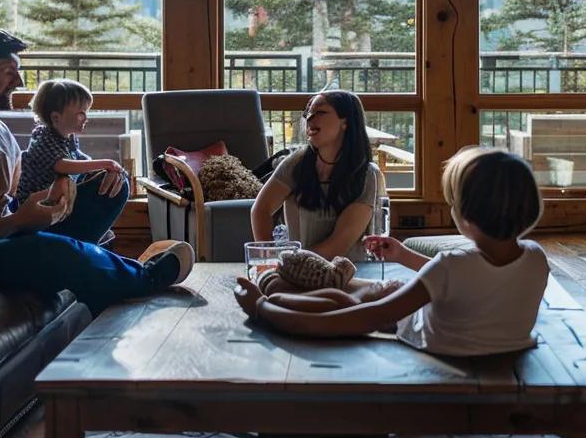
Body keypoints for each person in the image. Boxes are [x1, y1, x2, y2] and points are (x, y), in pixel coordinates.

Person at [0, 27, 192, 313]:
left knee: (110, 187)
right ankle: (146, 277)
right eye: (8, 72)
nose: (19, 82)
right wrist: (16, 223)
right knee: (54, 252)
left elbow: (12, 198)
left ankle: (89, 265)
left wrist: (59, 187)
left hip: (4, 239)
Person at [233, 147, 549, 357]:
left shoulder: (450, 266)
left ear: (463, 214)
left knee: (347, 300)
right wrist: (404, 256)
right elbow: (474, 279)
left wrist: (262, 308)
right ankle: (294, 288)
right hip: (499, 347)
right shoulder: (535, 258)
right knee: (370, 289)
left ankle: (272, 298)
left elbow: (369, 319)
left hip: (429, 341)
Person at [248, 90, 383, 261]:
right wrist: (269, 258)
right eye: (308, 113)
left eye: (319, 112)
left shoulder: (366, 175)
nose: (309, 118)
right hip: (298, 270)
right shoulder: (296, 162)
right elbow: (261, 209)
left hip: (348, 272)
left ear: (345, 122)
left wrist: (289, 263)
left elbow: (338, 244)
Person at [14, 78, 129, 245]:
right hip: (38, 208)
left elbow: (77, 156)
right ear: (56, 118)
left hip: (61, 196)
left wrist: (95, 166)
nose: (86, 118)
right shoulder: (44, 137)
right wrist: (105, 163)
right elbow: (62, 164)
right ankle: (83, 239)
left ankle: (89, 237)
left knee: (113, 180)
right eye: (80, 113)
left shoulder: (68, 136)